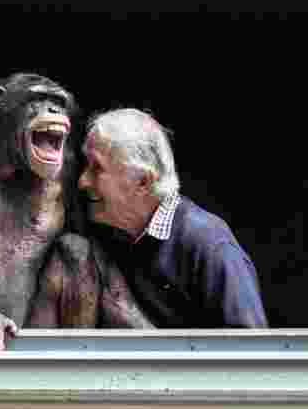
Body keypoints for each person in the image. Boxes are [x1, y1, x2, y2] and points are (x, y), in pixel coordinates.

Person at [76, 108, 268, 328]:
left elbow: (250, 354)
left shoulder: (209, 246)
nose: (83, 181)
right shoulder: (110, 232)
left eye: (97, 168)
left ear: (143, 182)